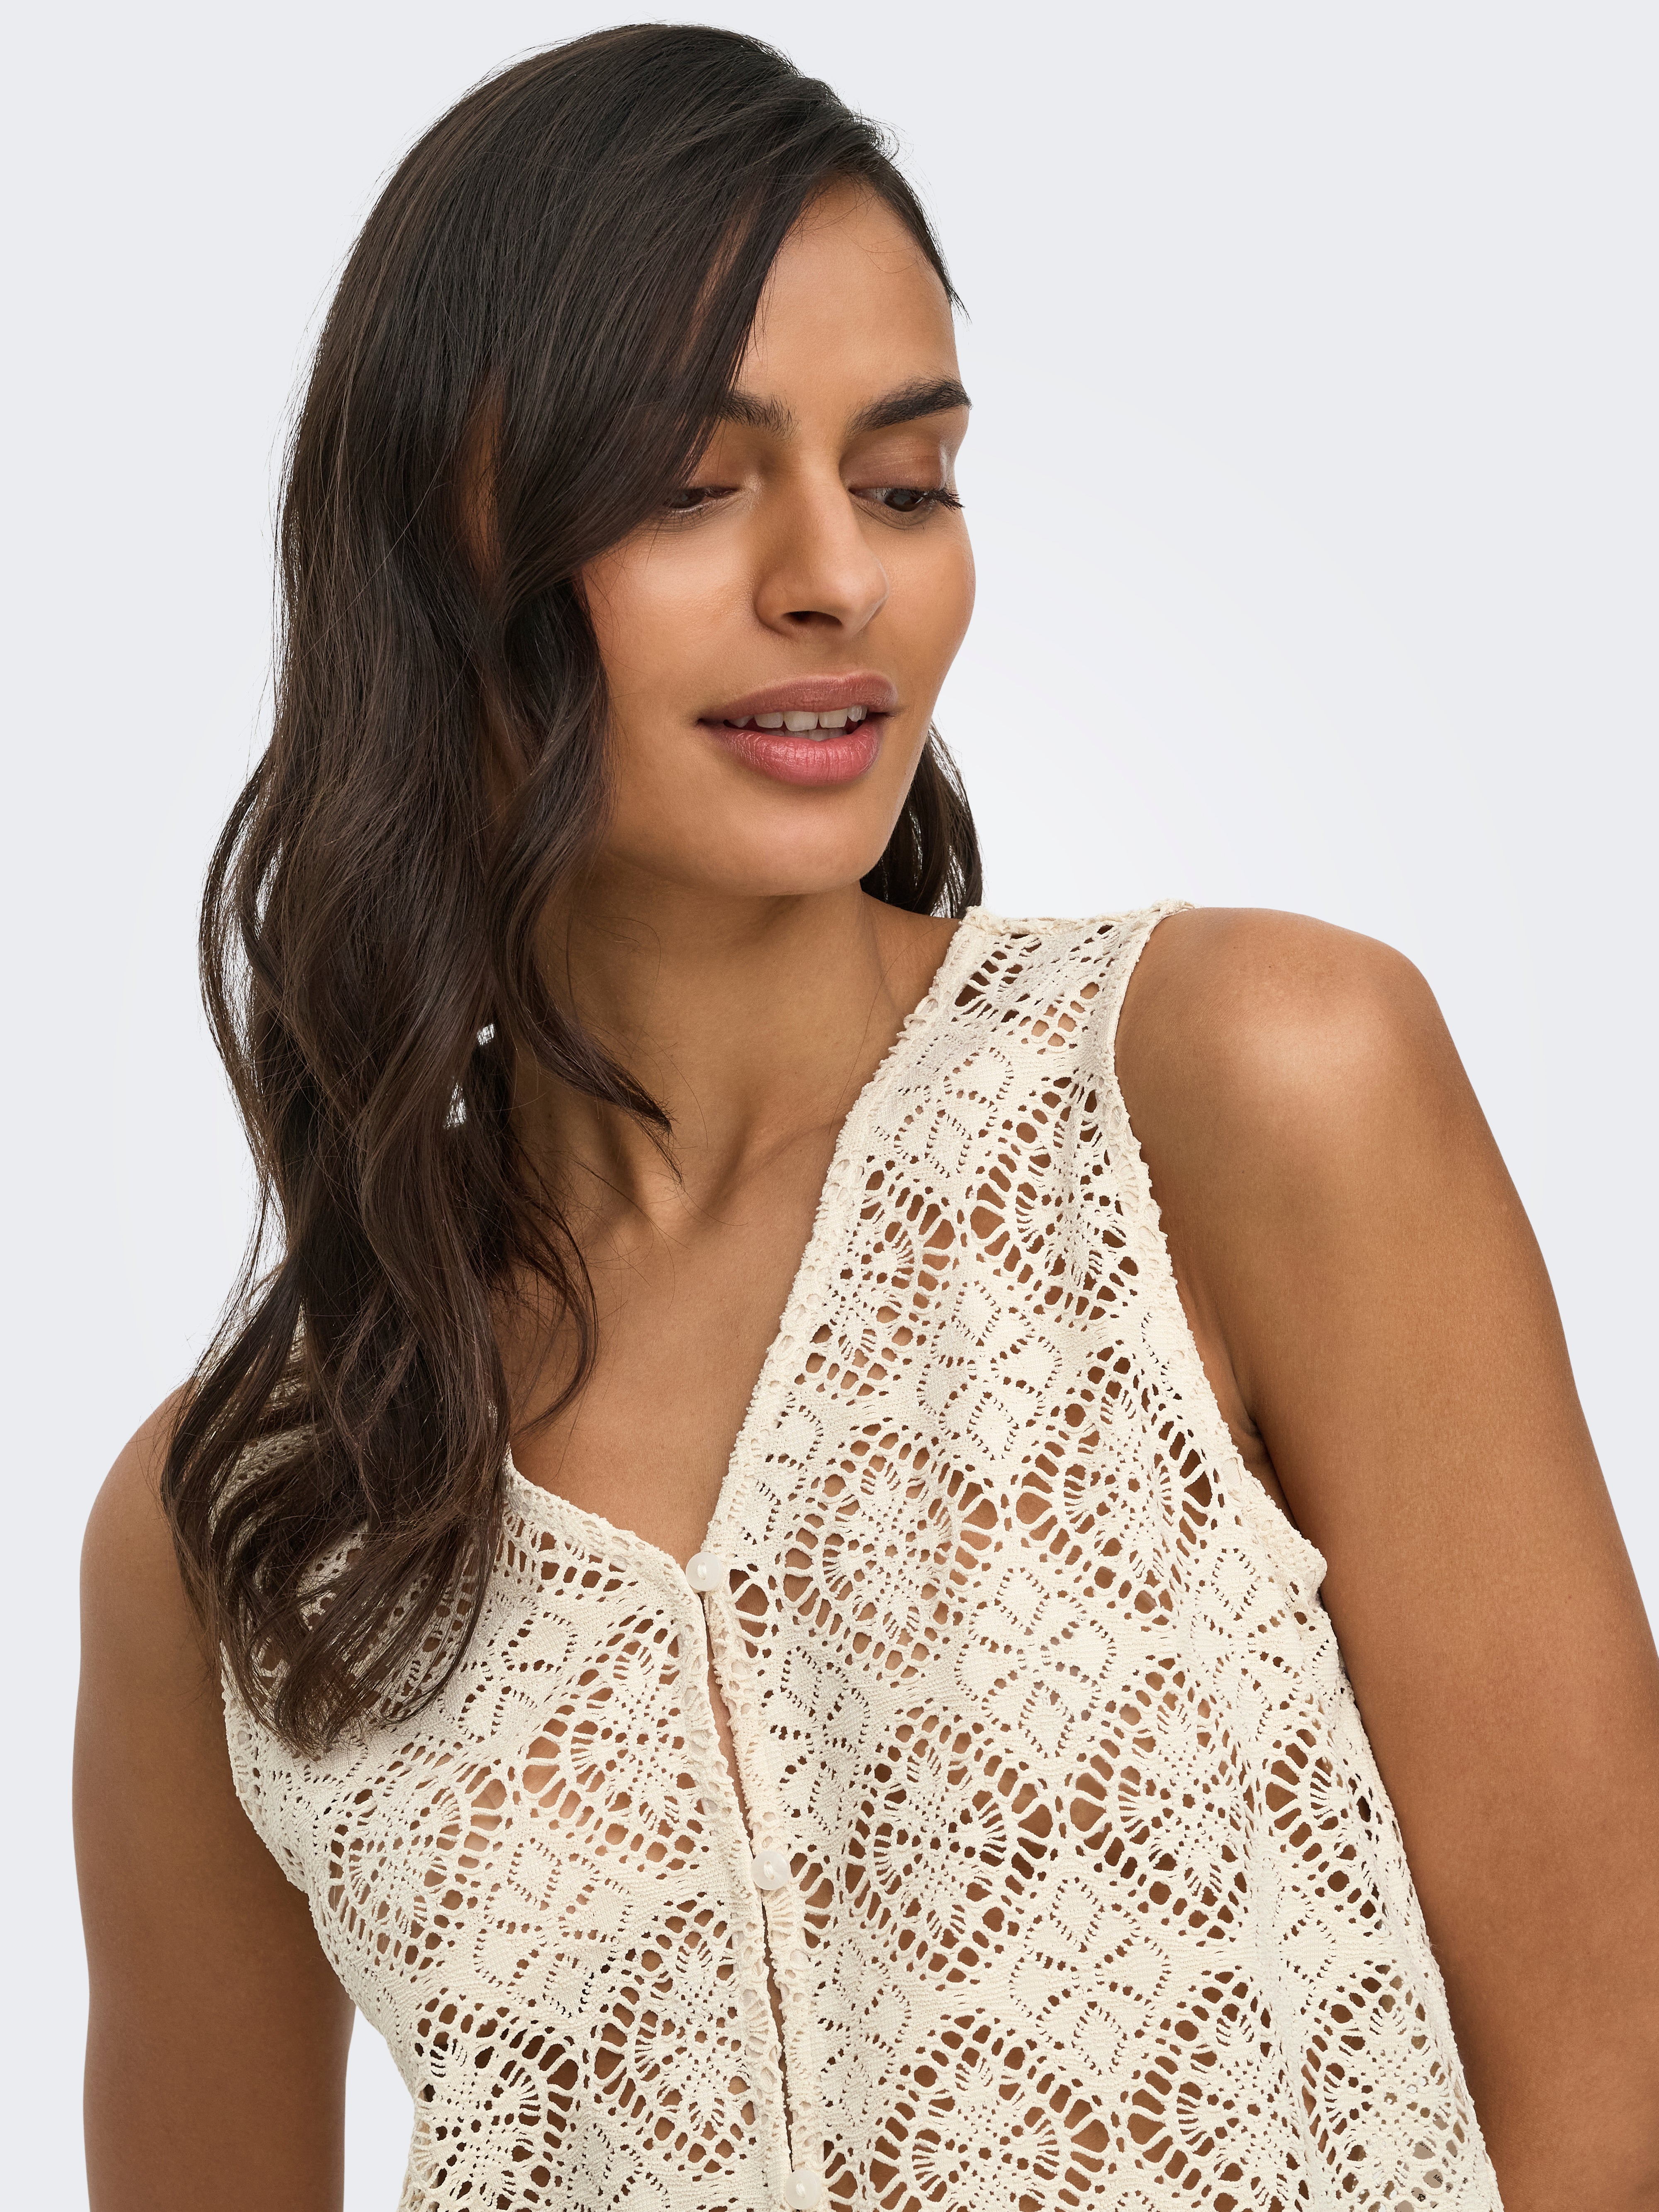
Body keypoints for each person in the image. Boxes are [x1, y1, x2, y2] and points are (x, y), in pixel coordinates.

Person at [74, 24, 1659, 2212]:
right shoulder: (253, 1513)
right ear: (436, 553)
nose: (838, 576)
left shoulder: (1240, 1091)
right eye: (691, 486)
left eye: (907, 481)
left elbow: (1615, 2102)